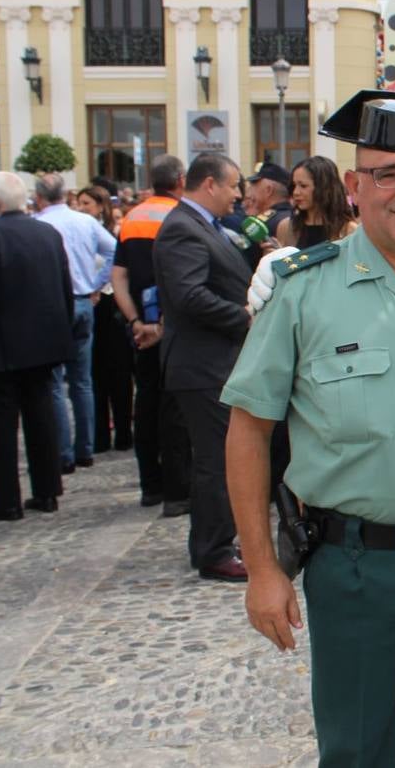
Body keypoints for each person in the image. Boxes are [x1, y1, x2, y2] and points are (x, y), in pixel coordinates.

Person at [225, 91, 395, 766]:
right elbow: (247, 431)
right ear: (355, 187)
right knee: (355, 747)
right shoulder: (301, 289)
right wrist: (262, 569)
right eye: (388, 173)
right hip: (355, 565)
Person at [153, 153, 251, 581]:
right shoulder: (181, 229)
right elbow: (189, 295)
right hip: (201, 364)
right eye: (233, 187)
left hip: (215, 361)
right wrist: (245, 316)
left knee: (222, 456)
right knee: (215, 460)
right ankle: (213, 550)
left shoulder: (203, 227)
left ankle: (219, 539)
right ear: (210, 184)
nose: (237, 196)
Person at [0, 172, 74, 520]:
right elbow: (64, 287)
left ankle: (7, 501)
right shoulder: (46, 232)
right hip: (44, 342)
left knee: (3, 427)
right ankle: (47, 492)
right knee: (41, 418)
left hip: (3, 347)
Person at [112, 156, 191, 514]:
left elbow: (119, 277)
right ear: (180, 180)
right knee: (174, 410)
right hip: (172, 330)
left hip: (142, 331)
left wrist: (135, 323)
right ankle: (178, 488)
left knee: (145, 404)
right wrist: (160, 327)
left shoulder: (132, 218)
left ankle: (150, 485)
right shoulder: (182, 217)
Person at [34, 174, 116, 475]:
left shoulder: (40, 223)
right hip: (82, 300)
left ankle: (65, 454)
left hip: (56, 303)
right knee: (82, 380)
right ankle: (85, 450)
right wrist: (96, 283)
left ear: (40, 196)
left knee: (56, 381)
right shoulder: (84, 221)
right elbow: (112, 248)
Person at [76, 185, 133, 454]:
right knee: (95, 374)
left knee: (119, 373)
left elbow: (115, 265)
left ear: (100, 206)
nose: (82, 208)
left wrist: (96, 286)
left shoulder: (112, 233)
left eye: (87, 203)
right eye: (80, 203)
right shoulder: (82, 232)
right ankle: (98, 435)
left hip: (110, 303)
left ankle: (123, 431)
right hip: (92, 307)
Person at [276, 156, 357, 249]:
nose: (296, 192)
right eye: (294, 185)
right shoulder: (286, 228)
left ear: (324, 187)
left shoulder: (348, 230)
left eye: (303, 186)